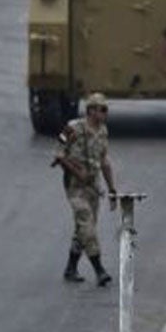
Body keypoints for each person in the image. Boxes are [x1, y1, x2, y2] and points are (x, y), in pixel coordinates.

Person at [54, 93, 117, 286]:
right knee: (87, 226)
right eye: (102, 109)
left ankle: (70, 268)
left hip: (92, 187)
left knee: (83, 229)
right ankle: (100, 270)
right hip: (75, 187)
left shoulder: (103, 132)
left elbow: (105, 161)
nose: (105, 113)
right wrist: (75, 171)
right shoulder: (73, 128)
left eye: (106, 110)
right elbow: (58, 153)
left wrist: (112, 188)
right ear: (91, 110)